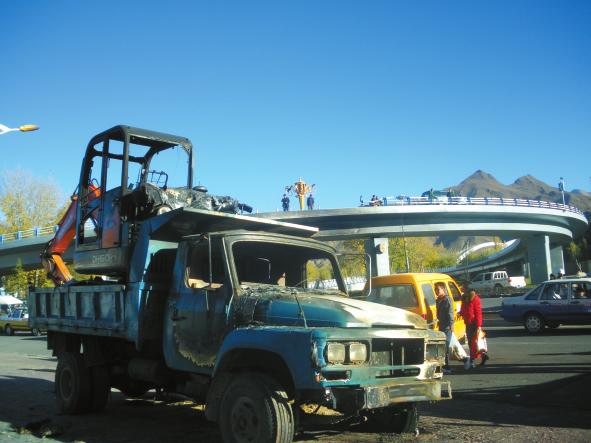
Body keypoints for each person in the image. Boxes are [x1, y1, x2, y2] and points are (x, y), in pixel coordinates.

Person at [460, 288, 488, 368]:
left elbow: (478, 313)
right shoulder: (464, 299)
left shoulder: (475, 299)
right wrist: (461, 313)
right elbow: (464, 309)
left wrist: (478, 325)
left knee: (473, 343)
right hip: (468, 323)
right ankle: (483, 355)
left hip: (474, 324)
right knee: (473, 342)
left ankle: (472, 360)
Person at [435, 283, 454, 374]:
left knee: (445, 347)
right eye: (435, 289)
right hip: (441, 326)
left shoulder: (447, 299)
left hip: (447, 327)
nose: (436, 291)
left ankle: (447, 366)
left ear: (443, 289)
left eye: (438, 289)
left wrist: (451, 325)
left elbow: (450, 313)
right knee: (442, 346)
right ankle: (444, 365)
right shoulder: (438, 300)